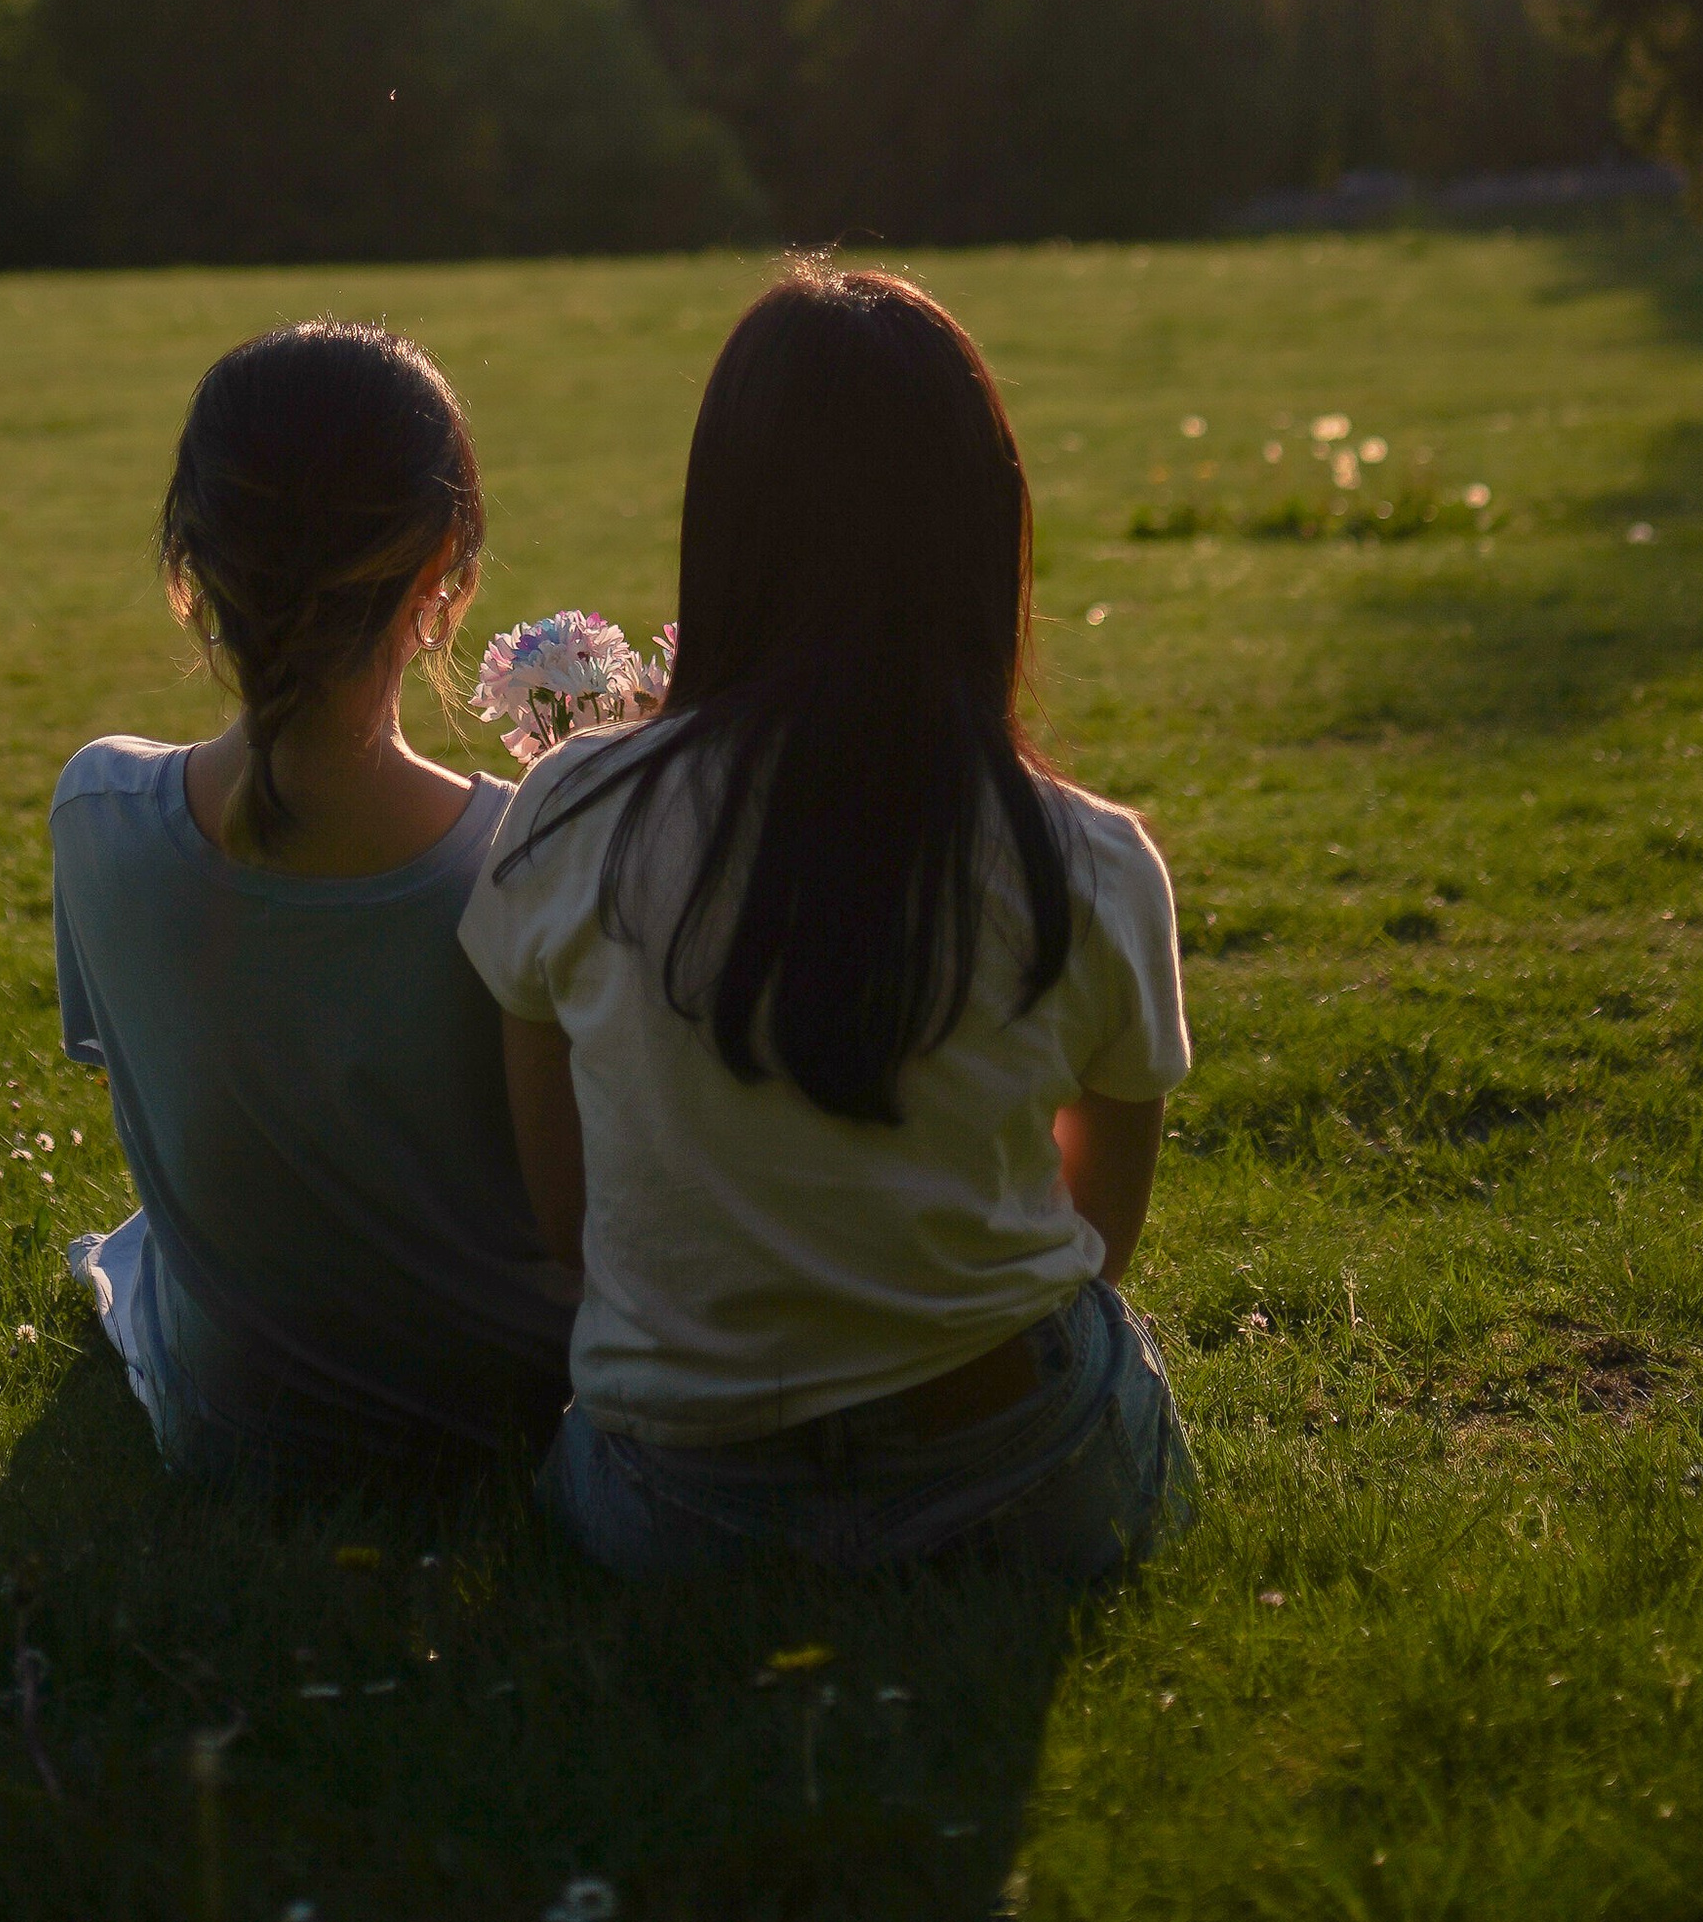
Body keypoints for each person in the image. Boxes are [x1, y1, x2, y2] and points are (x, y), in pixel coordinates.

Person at [459, 262, 1194, 1579]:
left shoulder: (574, 815)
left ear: (725, 530)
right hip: (1022, 1486)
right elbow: (1099, 1246)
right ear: (988, 535)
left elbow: (570, 1225)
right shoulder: (1086, 859)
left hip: (676, 1509)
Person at [52, 322, 575, 1481]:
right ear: (447, 569)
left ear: (189, 568)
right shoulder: (527, 854)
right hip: (521, 1413)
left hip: (236, 1424)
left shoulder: (96, 810)